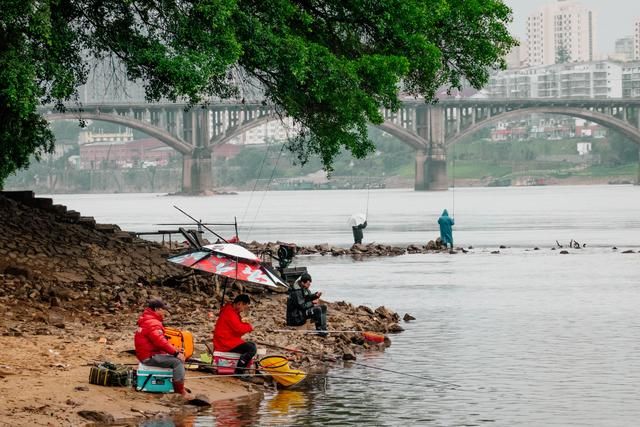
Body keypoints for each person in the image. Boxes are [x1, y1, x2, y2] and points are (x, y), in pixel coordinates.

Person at [134, 298, 191, 398]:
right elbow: (160, 341)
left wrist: (174, 350)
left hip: (147, 353)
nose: (165, 312)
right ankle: (179, 390)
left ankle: (176, 385)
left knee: (175, 357)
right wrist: (176, 353)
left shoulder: (147, 320)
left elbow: (159, 342)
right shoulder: (153, 323)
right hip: (149, 356)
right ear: (157, 309)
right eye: (163, 309)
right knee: (178, 362)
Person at [213, 294, 256, 379]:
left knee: (252, 345)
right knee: (251, 348)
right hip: (225, 342)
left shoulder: (231, 311)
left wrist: (245, 325)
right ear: (240, 303)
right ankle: (239, 371)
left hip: (227, 339)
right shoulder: (230, 313)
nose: (244, 309)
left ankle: (241, 367)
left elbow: (237, 330)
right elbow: (238, 329)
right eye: (245, 306)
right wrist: (249, 326)